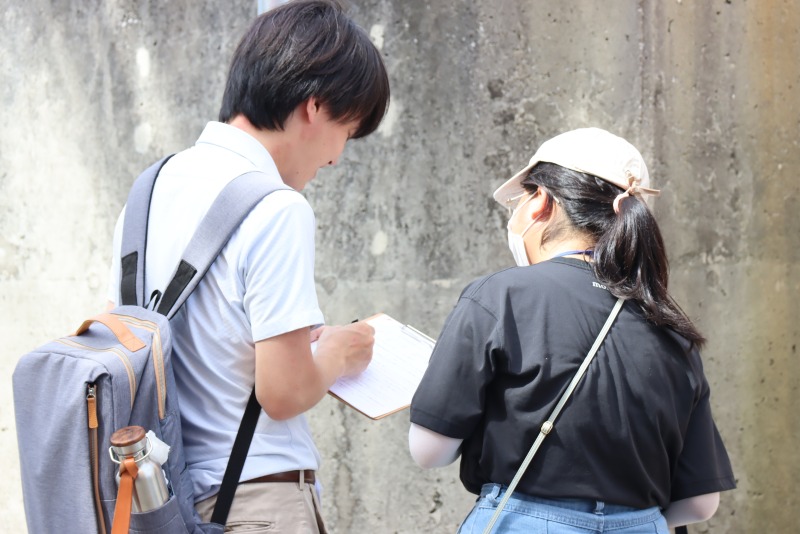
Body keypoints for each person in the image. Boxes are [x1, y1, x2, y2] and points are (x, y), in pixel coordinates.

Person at [105, 1, 390, 532]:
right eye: (346, 132)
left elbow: (133, 345)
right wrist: (337, 353)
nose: (336, 157)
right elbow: (281, 393)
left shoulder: (144, 197)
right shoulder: (276, 208)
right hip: (254, 504)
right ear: (315, 106)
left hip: (161, 503)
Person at [408, 128, 735, 533]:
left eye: (519, 199)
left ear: (542, 200)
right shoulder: (672, 328)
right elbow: (700, 504)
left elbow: (429, 450)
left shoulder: (500, 297)